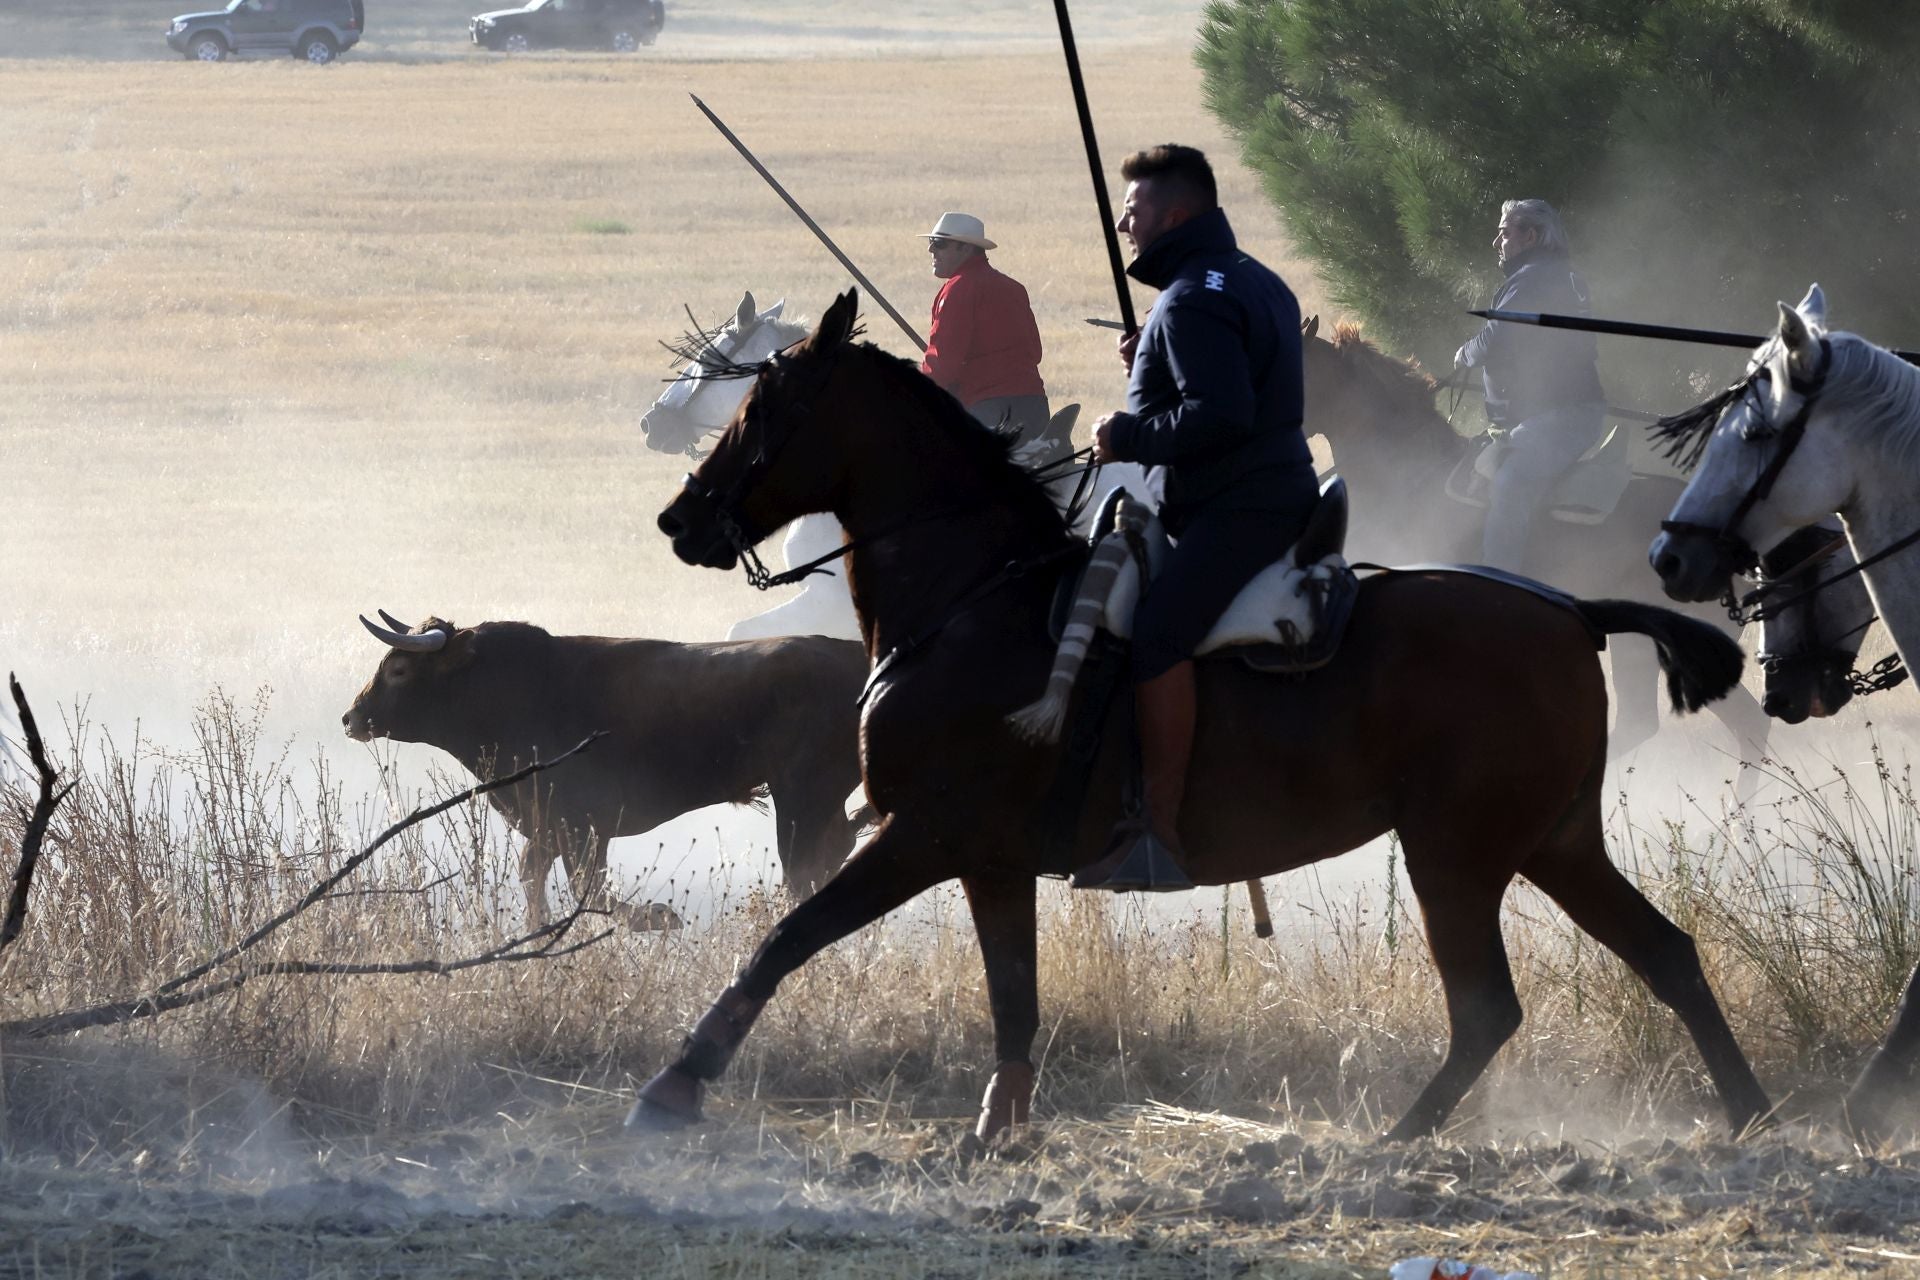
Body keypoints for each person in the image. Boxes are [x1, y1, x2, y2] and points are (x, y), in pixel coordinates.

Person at [1078, 144, 1320, 892]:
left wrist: (1125, 435)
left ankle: (1161, 831)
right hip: (1272, 491)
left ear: (1175, 214)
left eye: (1135, 209)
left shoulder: (1189, 297)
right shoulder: (1247, 278)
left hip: (1239, 504)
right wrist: (1148, 355)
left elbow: (1220, 416)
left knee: (1157, 635)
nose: (1125, 224)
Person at [1454, 199, 1607, 574]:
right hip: (1544, 416)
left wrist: (1464, 355)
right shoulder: (1548, 274)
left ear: (1531, 236)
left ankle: (1497, 581)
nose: (1497, 242)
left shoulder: (1535, 277)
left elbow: (1497, 337)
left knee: (1511, 480)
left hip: (1560, 417)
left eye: (1505, 232)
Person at [918, 213, 1053, 452]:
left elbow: (942, 364)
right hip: (1035, 407)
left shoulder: (958, 289)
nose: (931, 250)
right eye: (931, 242)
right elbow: (1034, 352)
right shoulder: (1013, 287)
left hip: (991, 412)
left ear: (965, 248)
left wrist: (913, 387)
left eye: (939, 243)